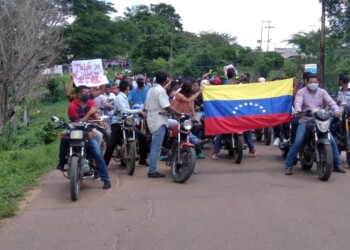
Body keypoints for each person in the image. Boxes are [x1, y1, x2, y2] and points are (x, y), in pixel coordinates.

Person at [284, 73, 346, 175]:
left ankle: (337, 165)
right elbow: (298, 103)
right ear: (306, 82)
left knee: (332, 142)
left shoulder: (323, 92)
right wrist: (298, 111)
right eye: (311, 82)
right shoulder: (301, 92)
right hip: (305, 121)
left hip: (320, 121)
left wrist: (337, 110)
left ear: (318, 83)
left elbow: (331, 102)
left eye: (315, 82)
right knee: (298, 142)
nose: (313, 84)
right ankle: (288, 165)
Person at [61, 85, 111, 189]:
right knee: (64, 138)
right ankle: (61, 161)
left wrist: (101, 123)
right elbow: (78, 123)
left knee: (97, 154)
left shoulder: (90, 103)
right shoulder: (72, 106)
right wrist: (89, 113)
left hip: (87, 131)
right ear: (79, 94)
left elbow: (96, 116)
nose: (89, 95)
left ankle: (105, 179)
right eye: (86, 93)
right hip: (74, 130)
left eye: (89, 93)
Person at [144, 71, 183, 178]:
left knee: (178, 124)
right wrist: (180, 113)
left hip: (155, 119)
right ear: (165, 80)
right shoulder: (160, 91)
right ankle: (152, 171)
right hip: (159, 120)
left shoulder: (151, 89)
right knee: (155, 148)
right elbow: (167, 106)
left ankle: (172, 147)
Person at [103, 80, 149, 167]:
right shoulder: (119, 98)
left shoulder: (124, 98)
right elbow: (124, 111)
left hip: (127, 123)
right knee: (112, 144)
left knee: (142, 137)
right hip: (117, 123)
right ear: (128, 89)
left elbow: (128, 111)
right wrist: (138, 111)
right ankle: (104, 164)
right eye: (129, 89)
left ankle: (142, 159)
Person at [171, 78, 205, 159]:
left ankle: (197, 150)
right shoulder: (179, 95)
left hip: (187, 117)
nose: (193, 88)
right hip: (178, 117)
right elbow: (188, 100)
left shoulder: (190, 95)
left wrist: (193, 117)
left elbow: (192, 107)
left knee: (197, 127)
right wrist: (199, 92)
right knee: (185, 129)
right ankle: (197, 142)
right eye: (192, 86)